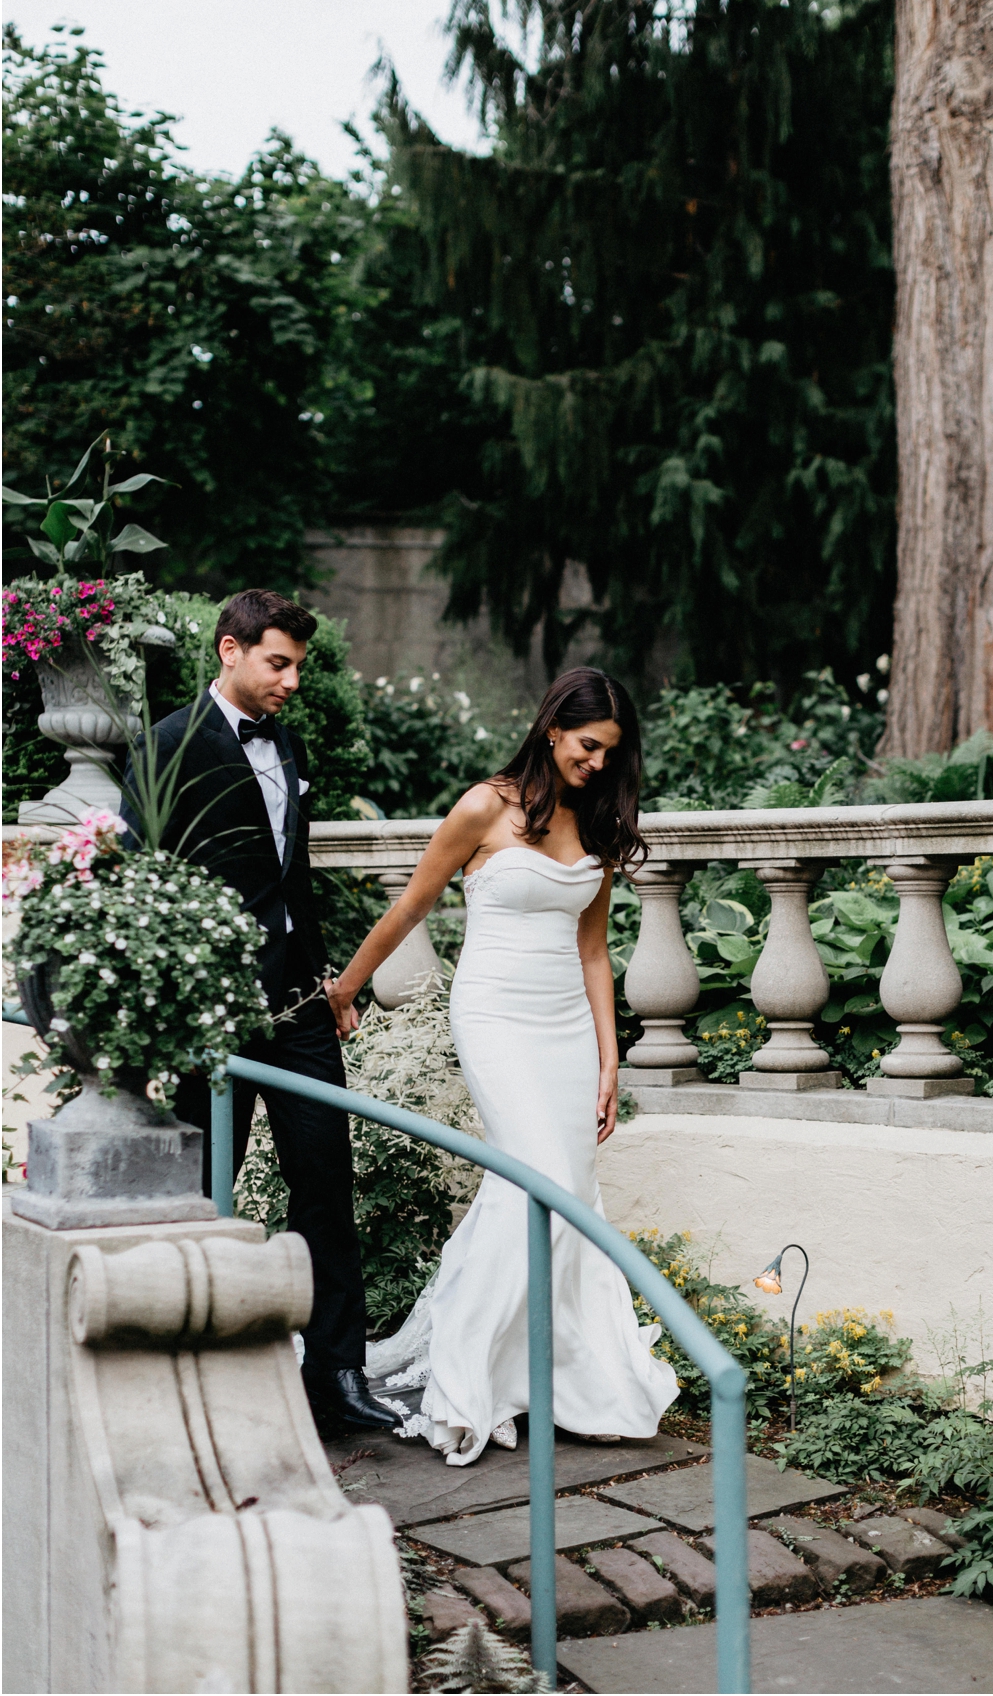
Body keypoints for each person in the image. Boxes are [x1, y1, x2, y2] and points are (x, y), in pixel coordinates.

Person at [326, 666, 678, 1465]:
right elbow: (411, 904)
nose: (597, 764)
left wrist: (607, 1058)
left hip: (564, 1027)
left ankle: (549, 1379)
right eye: (589, 746)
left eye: (610, 754)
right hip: (494, 1016)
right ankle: (465, 1382)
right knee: (541, 1179)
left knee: (559, 1192)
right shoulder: (484, 806)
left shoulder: (595, 820)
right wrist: (346, 987)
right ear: (553, 727)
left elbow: (594, 949)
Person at [120, 588, 396, 1434]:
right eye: (279, 663)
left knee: (325, 1180)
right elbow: (141, 879)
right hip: (215, 1010)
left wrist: (328, 983)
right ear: (229, 651)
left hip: (299, 1005)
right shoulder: (164, 745)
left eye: (298, 667)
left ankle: (336, 1373)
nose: (292, 682)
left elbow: (291, 877)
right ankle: (193, 1364)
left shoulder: (288, 740)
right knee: (209, 1188)